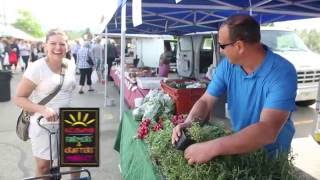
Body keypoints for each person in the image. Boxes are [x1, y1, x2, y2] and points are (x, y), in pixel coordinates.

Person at [171, 14, 297, 165]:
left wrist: (212, 147)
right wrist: (190, 123)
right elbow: (206, 100)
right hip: (238, 146)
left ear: (239, 46)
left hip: (271, 157)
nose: (221, 51)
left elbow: (267, 129)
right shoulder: (227, 66)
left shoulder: (282, 72)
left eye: (222, 46)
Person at [13, 29, 80, 178]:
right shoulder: (36, 68)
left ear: (67, 46)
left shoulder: (70, 65)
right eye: (53, 43)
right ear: (45, 46)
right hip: (43, 122)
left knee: (76, 160)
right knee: (44, 167)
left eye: (62, 44)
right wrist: (42, 109)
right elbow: (18, 98)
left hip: (69, 119)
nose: (58, 47)